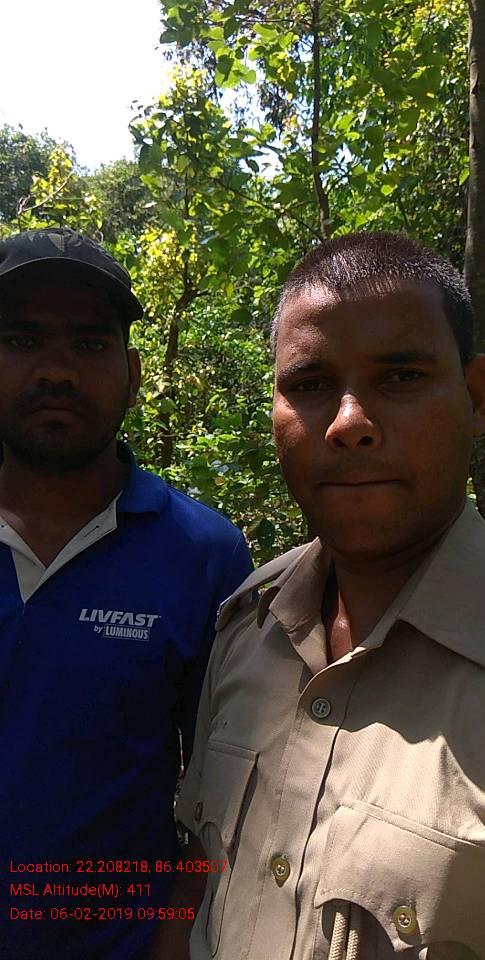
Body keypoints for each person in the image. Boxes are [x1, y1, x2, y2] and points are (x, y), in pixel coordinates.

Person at [177, 231, 485, 959]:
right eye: (310, 385)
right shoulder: (247, 629)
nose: (349, 424)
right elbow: (198, 885)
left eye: (400, 376)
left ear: (476, 398)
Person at [0, 227, 252, 960]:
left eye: (89, 343)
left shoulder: (203, 554)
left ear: (133, 373)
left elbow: (227, 797)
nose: (56, 371)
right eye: (21, 340)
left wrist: (175, 941)